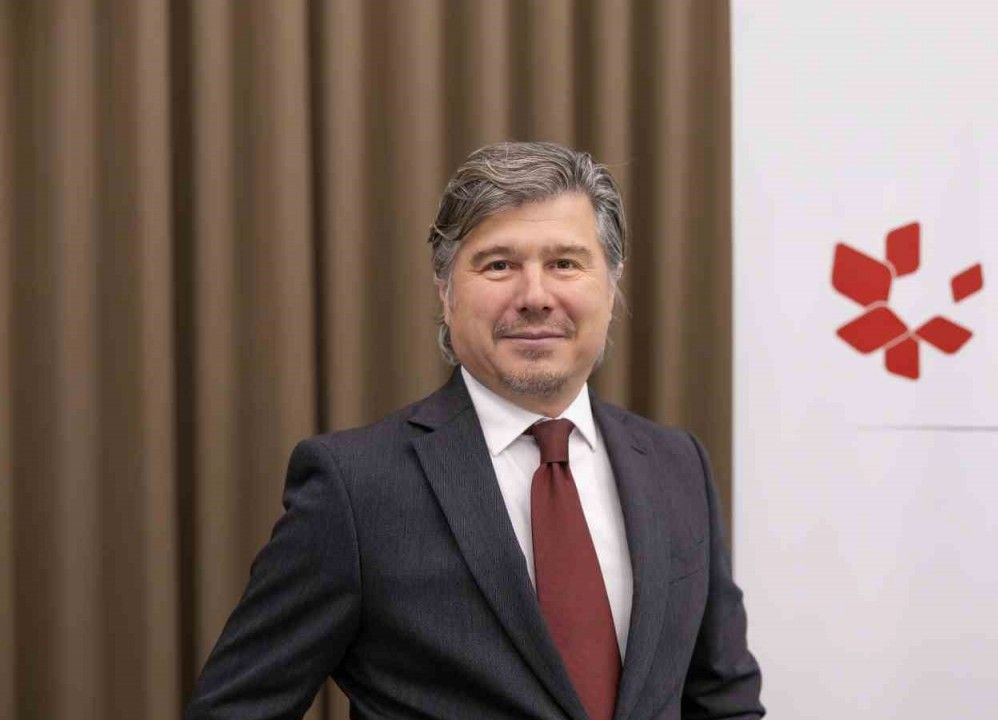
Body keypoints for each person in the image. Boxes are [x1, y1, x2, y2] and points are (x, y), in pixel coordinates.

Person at [185, 141, 764, 720]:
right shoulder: (355, 489)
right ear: (445, 291)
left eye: (565, 263)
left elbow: (724, 702)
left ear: (610, 287)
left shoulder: (677, 465)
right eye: (498, 265)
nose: (535, 297)